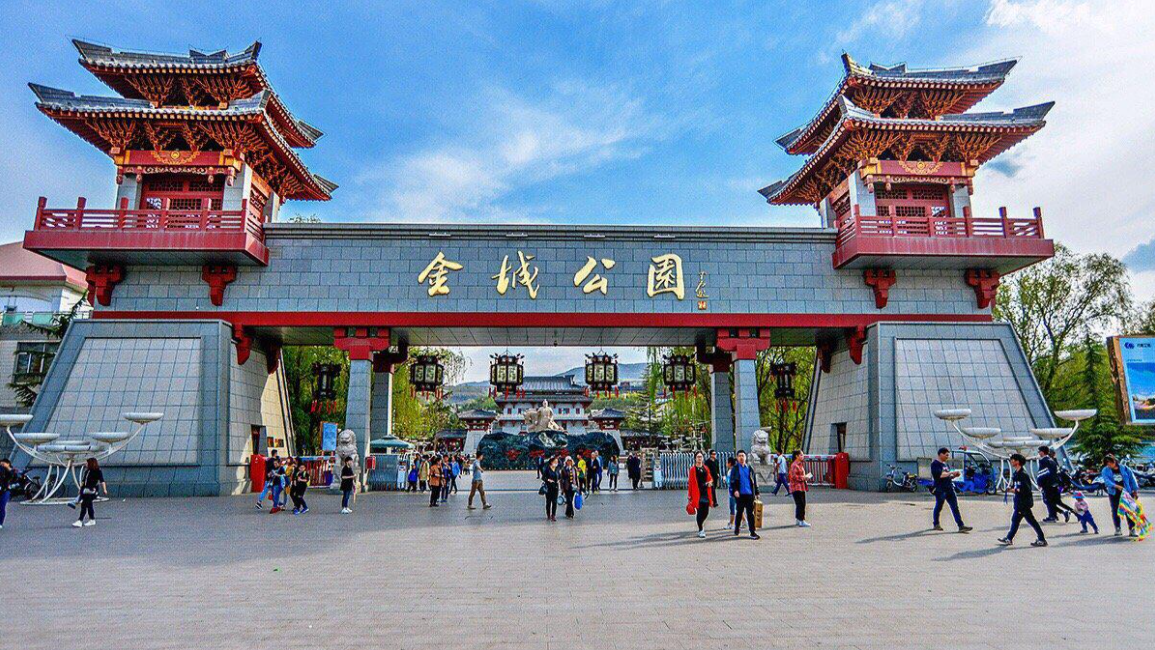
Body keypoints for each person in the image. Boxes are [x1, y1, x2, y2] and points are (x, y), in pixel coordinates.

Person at [998, 453, 1046, 547]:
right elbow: (1016, 486)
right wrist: (1011, 488)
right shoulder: (1016, 474)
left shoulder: (1023, 475)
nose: (1011, 461)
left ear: (1017, 462)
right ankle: (1009, 538)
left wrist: (1014, 490)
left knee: (1030, 521)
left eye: (1013, 460)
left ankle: (1041, 539)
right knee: (1016, 520)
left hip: (1024, 503)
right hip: (1019, 502)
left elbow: (1026, 489)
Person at [930, 448, 972, 533]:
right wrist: (951, 473)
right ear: (941, 454)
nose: (947, 457)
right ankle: (936, 523)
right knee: (939, 506)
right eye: (946, 455)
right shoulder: (935, 464)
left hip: (949, 488)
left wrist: (953, 476)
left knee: (955, 507)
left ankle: (961, 526)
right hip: (940, 489)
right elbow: (940, 475)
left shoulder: (945, 464)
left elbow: (947, 476)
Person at [1101, 455, 1140, 537]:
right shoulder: (1105, 470)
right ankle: (1118, 528)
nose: (1109, 464)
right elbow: (1107, 481)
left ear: (1114, 461)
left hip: (1127, 492)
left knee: (1129, 511)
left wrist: (1135, 491)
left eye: (1110, 462)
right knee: (1115, 510)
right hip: (1114, 493)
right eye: (1107, 463)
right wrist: (1116, 486)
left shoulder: (1125, 468)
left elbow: (1132, 479)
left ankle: (1132, 529)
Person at [728, 450, 760, 540]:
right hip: (740, 495)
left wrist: (757, 492)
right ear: (737, 458)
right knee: (739, 512)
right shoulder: (735, 469)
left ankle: (752, 532)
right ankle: (737, 528)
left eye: (743, 456)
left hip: (749, 494)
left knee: (750, 514)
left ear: (745, 457)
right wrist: (735, 490)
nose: (741, 457)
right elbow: (732, 481)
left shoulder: (749, 468)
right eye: (739, 456)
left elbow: (754, 481)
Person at [1037, 445, 1074, 523]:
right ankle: (1057, 515)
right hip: (1055, 484)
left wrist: (1040, 483)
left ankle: (1055, 516)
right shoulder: (1052, 460)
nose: (1039, 453)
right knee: (1054, 501)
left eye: (1039, 451)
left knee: (1048, 501)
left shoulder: (1043, 461)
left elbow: (1043, 474)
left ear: (1042, 452)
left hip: (1047, 484)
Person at [687, 451, 716, 538]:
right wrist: (689, 495)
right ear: (695, 458)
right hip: (697, 493)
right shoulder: (693, 469)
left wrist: (710, 482)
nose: (699, 458)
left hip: (706, 493)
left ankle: (701, 523)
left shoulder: (705, 468)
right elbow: (691, 483)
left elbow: (710, 478)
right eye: (698, 457)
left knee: (706, 512)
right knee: (699, 512)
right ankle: (701, 529)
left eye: (701, 457)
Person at [73, 458, 107, 528]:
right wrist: (80, 489)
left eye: (87, 463)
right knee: (89, 505)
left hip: (92, 490)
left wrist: (104, 489)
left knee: (84, 504)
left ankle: (80, 520)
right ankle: (92, 519)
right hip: (85, 490)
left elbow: (102, 481)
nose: (86, 464)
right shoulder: (87, 471)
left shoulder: (97, 471)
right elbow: (83, 481)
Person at [788, 450, 812, 528]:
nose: (803, 456)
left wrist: (805, 477)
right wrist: (804, 477)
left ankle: (799, 519)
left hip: (801, 487)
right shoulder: (795, 465)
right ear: (797, 456)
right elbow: (794, 476)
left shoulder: (799, 464)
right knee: (801, 504)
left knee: (801, 504)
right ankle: (801, 520)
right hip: (796, 487)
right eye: (801, 455)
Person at [542, 457, 560, 521]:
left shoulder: (557, 469)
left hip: (555, 487)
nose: (556, 463)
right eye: (555, 462)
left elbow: (559, 476)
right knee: (548, 501)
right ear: (551, 462)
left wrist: (558, 480)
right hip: (549, 487)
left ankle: (553, 515)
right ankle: (548, 514)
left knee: (554, 501)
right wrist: (548, 480)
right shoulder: (547, 469)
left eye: (557, 462)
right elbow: (543, 477)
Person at [724, 457, 740, 532]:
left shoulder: (731, 471)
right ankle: (744, 521)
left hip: (732, 492)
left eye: (727, 462)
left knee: (732, 508)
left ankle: (731, 523)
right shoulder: (736, 470)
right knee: (738, 508)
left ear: (729, 463)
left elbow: (730, 482)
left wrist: (725, 479)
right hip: (736, 492)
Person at [0, 458, 13, 530]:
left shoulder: (7, 470)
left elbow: (12, 476)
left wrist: (8, 468)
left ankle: (0, 523)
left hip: (4, 491)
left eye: (3, 464)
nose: (2, 465)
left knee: (2, 507)